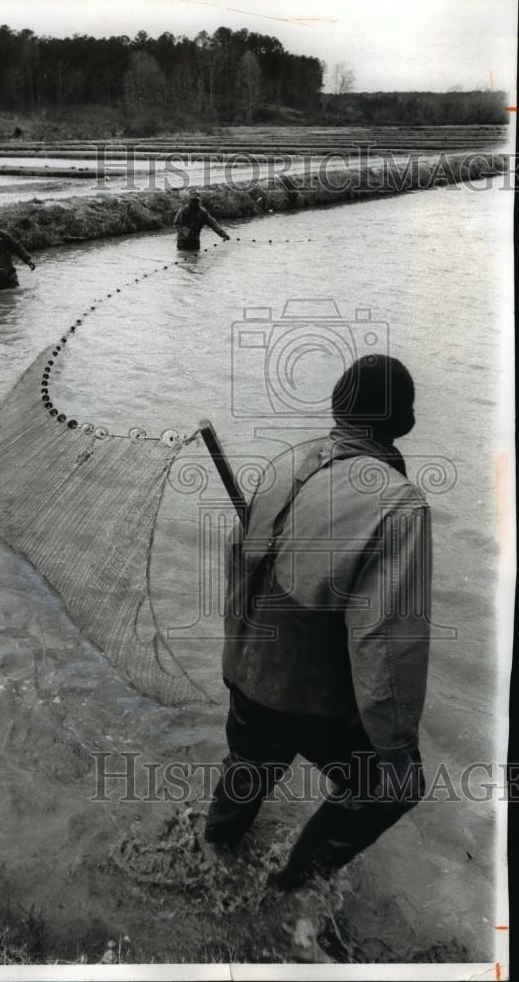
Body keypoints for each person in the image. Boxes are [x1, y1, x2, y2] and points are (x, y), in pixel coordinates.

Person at [204, 354, 432, 893]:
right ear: (400, 418)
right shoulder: (398, 502)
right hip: (307, 693)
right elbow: (386, 640)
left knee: (251, 758)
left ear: (339, 406)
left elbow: (239, 562)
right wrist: (395, 747)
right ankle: (293, 890)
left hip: (244, 665)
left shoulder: (288, 460)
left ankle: (212, 853)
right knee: (396, 786)